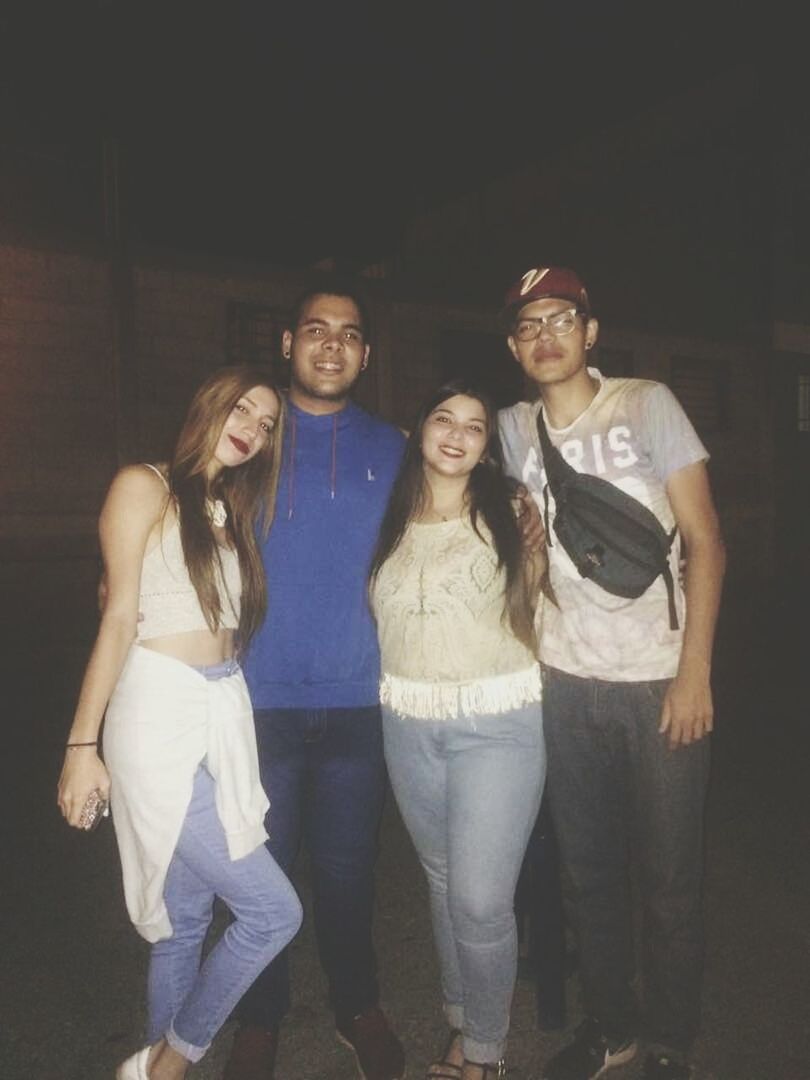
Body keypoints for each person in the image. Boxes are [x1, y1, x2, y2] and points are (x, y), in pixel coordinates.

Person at [497, 267, 726, 1080]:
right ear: (514, 346)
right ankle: (613, 1026)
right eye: (527, 325)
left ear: (591, 332)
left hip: (660, 678)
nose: (545, 334)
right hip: (564, 680)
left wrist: (693, 672)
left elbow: (706, 541)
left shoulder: (646, 402)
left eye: (561, 318)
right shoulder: (512, 429)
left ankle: (667, 1040)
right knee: (586, 873)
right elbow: (516, 549)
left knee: (668, 877)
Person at [57, 366, 303, 1080]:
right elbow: (117, 616)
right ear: (209, 403)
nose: (253, 428)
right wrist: (83, 745)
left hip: (220, 711)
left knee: (184, 925)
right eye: (244, 409)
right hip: (158, 715)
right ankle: (169, 1061)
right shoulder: (144, 485)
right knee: (273, 913)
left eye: (266, 424)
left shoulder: (223, 509)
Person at [224, 283, 407, 1080]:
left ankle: (356, 1005)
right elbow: (175, 501)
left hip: (358, 703)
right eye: (316, 330)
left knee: (344, 870)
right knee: (258, 875)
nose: (332, 345)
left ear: (365, 355)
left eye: (350, 335)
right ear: (289, 342)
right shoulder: (250, 435)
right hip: (254, 702)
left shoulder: (396, 446)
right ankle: (258, 1020)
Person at [369, 380, 547, 1080]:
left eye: (475, 426)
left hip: (497, 721)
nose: (458, 432)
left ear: (485, 447)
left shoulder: (510, 510)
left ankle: (486, 1053)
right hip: (406, 720)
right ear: (420, 429)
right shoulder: (386, 514)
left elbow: (550, 597)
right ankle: (461, 1018)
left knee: (479, 898)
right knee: (442, 882)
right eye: (444, 416)